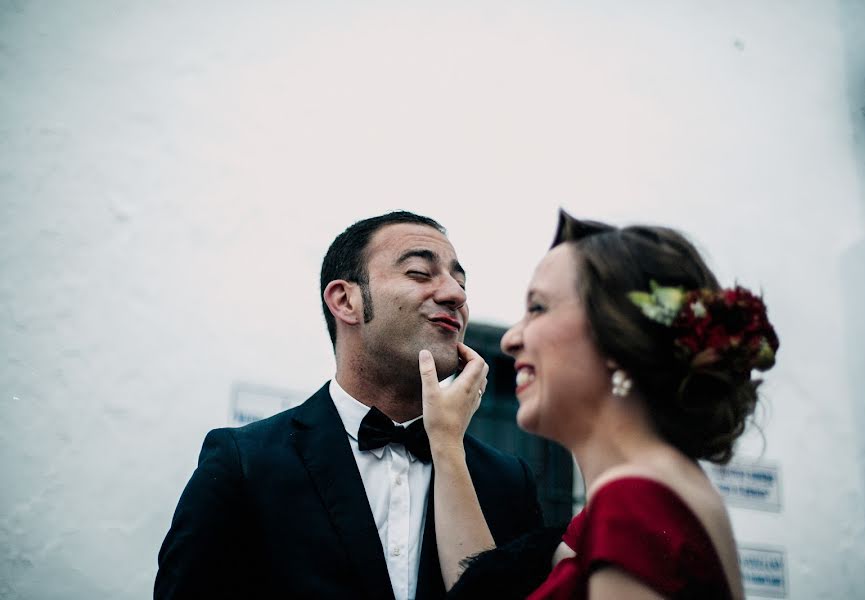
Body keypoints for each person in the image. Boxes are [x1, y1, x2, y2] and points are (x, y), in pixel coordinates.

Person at [155, 211, 543, 600]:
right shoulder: (242, 463)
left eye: (460, 283)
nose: (455, 295)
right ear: (345, 301)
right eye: (419, 273)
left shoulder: (508, 483)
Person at [420, 209, 779, 599]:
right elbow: (487, 590)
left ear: (616, 336)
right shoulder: (649, 493)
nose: (511, 340)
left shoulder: (633, 502)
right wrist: (446, 439)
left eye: (538, 308)